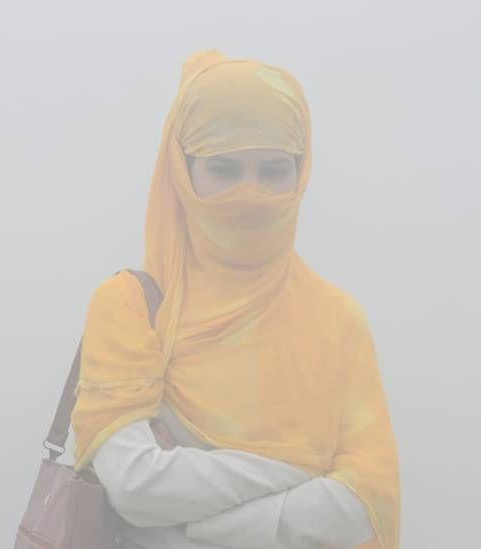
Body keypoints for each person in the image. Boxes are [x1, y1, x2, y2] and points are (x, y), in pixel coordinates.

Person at [69, 50, 401, 549]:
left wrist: (213, 526)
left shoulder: (338, 322)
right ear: (181, 171)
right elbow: (136, 487)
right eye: (223, 169)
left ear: (301, 172)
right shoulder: (130, 307)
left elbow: (366, 504)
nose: (249, 194)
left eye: (272, 170)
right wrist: (301, 472)